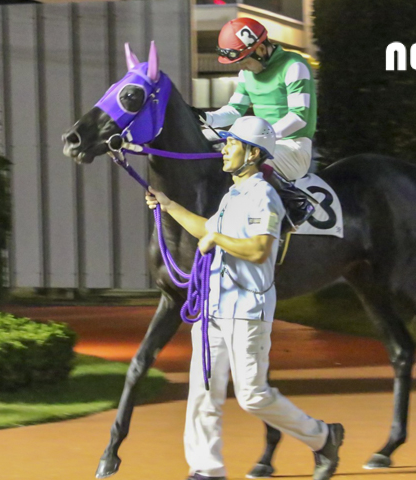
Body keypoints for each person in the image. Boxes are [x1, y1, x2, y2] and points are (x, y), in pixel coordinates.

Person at [145, 116, 344, 480]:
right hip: (214, 308)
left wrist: (217, 239)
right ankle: (207, 468)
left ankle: (322, 436)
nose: (224, 150)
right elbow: (206, 229)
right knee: (203, 390)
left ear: (252, 153)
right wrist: (168, 205)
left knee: (253, 396)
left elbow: (258, 249)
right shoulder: (232, 196)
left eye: (232, 144)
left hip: (247, 311)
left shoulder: (265, 197)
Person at [192, 18, 317, 181]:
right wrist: (205, 118)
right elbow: (235, 110)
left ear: (261, 50)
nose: (242, 67)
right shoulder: (246, 74)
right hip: (258, 144)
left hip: (293, 148)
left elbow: (298, 118)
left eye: (244, 61)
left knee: (242, 158)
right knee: (205, 141)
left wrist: (256, 139)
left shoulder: (294, 65)